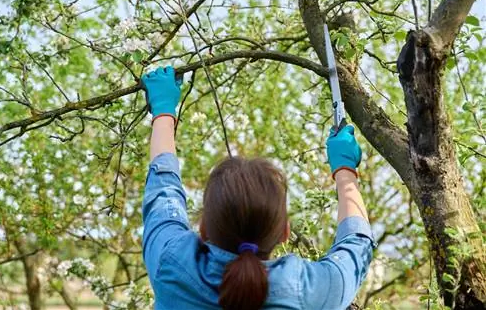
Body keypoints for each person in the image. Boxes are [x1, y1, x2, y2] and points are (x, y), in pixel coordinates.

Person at [141, 66, 375, 310]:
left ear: (203, 229)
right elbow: (356, 245)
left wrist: (163, 110)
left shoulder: (172, 262)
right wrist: (345, 170)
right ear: (284, 232)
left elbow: (163, 192)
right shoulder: (305, 290)